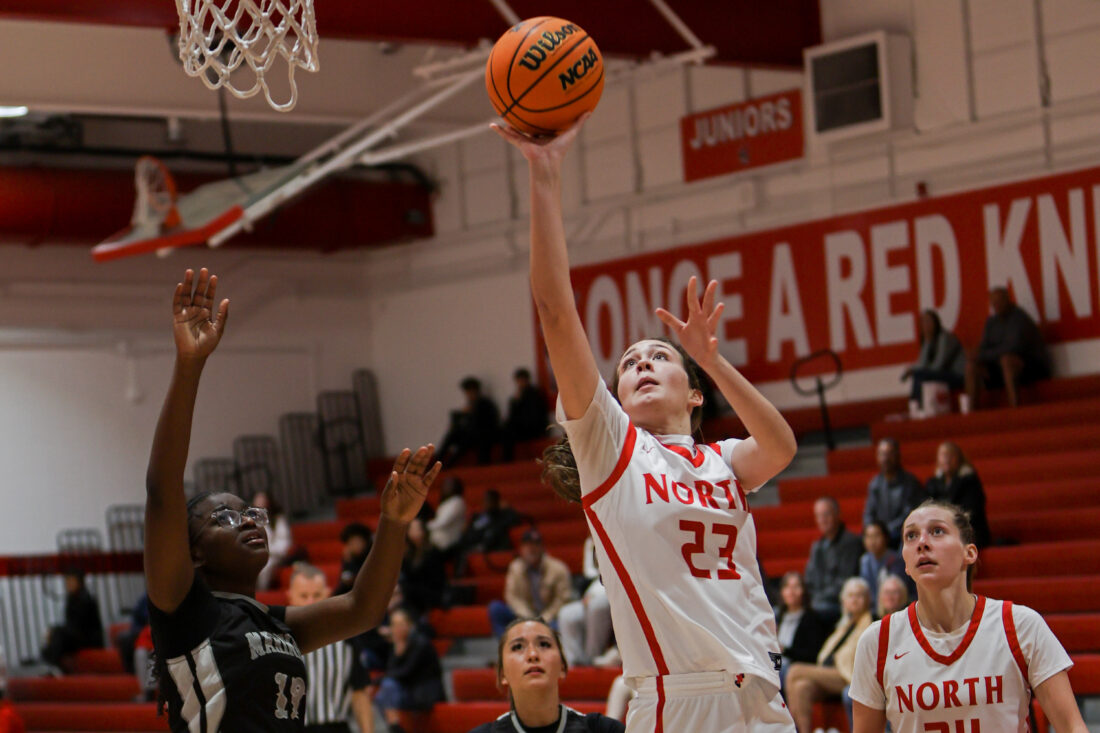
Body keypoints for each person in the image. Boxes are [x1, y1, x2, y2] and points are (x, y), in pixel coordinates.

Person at [494, 116, 798, 732]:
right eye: (628, 363)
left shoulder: (723, 461)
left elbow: (781, 447)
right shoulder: (613, 447)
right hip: (678, 703)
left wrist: (713, 359)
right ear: (617, 396)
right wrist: (544, 175)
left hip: (763, 700)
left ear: (693, 396)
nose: (641, 364)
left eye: (660, 356)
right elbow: (555, 309)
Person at [144, 268, 440, 731]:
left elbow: (363, 607)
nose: (247, 522)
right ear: (193, 551)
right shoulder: (184, 611)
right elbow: (162, 492)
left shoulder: (277, 624)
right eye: (224, 517)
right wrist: (189, 363)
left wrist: (394, 522)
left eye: (251, 514)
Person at [849, 500, 1087, 733]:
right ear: (906, 565)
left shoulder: (1019, 624)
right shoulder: (878, 640)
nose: (922, 542)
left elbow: (1072, 727)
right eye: (911, 536)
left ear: (969, 552)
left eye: (937, 531)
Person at [468, 617, 625, 733]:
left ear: (563, 667)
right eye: (517, 647)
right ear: (502, 675)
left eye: (544, 644)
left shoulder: (601, 730)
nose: (533, 654)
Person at [286, 563, 373, 733]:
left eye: (316, 595)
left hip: (336, 727)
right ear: (290, 597)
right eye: (304, 596)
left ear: (327, 594)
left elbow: (359, 693)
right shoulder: (277, 641)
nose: (310, 602)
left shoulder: (346, 639)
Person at [785, 578, 874, 733]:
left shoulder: (871, 624)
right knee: (801, 687)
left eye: (859, 595)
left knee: (794, 670)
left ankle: (790, 729)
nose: (854, 600)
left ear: (868, 599)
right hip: (830, 674)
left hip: (848, 675)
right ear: (844, 601)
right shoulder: (843, 625)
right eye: (850, 596)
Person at [965, 286, 1050, 409]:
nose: (996, 306)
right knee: (971, 366)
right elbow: (983, 347)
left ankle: (1014, 407)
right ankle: (971, 411)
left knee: (1007, 360)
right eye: (994, 303)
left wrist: (983, 355)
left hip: (1030, 366)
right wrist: (976, 355)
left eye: (999, 302)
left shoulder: (1019, 318)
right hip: (1000, 368)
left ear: (1008, 300)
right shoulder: (991, 322)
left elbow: (1013, 347)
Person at [488, 529, 573, 637]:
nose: (531, 549)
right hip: (524, 615)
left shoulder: (558, 568)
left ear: (542, 547)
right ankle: (505, 649)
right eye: (528, 546)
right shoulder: (515, 567)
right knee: (495, 608)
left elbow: (562, 599)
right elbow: (512, 596)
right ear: (521, 549)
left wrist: (544, 618)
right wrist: (528, 618)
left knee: (561, 624)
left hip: (550, 618)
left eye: (535, 545)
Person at [372, 607, 445, 730]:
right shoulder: (398, 643)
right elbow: (392, 669)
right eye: (394, 625)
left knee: (388, 685)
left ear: (409, 625)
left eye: (400, 624)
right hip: (409, 690)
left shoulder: (421, 643)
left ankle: (394, 726)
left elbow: (406, 672)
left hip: (424, 693)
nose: (396, 629)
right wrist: (396, 649)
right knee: (382, 695)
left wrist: (376, 680)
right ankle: (394, 725)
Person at [805, 497, 863, 628]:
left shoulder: (851, 542)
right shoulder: (817, 546)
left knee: (809, 616)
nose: (822, 520)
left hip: (838, 603)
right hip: (817, 602)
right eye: (818, 516)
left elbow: (846, 581)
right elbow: (809, 580)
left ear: (837, 515)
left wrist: (818, 598)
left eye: (826, 514)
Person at [924, 441, 991, 549]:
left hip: (967, 530)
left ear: (959, 458)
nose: (947, 459)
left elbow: (970, 513)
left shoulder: (970, 481)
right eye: (943, 455)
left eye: (951, 455)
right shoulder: (932, 483)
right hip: (939, 530)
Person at [862, 439, 926, 548]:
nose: (886, 458)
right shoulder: (874, 484)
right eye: (882, 454)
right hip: (881, 535)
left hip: (901, 534)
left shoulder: (910, 482)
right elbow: (868, 513)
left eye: (889, 454)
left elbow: (908, 514)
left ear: (898, 456)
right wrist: (872, 531)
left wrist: (885, 532)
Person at [900, 310, 965, 412]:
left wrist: (916, 370)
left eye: (928, 321)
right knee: (919, 375)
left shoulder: (945, 338)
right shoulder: (928, 340)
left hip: (958, 376)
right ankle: (916, 407)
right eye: (923, 323)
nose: (926, 325)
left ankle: (916, 407)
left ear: (936, 322)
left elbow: (938, 366)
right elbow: (922, 362)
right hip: (943, 376)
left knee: (920, 375)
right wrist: (928, 342)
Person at [774, 572, 828, 694]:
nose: (791, 591)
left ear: (804, 591)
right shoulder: (779, 616)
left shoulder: (811, 618)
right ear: (782, 592)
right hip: (778, 658)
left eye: (796, 587)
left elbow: (811, 654)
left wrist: (785, 650)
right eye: (787, 587)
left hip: (796, 664)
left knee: (779, 668)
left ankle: (782, 709)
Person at [41, 568, 104, 671]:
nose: (68, 584)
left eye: (71, 581)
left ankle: (52, 665)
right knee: (56, 634)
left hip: (88, 638)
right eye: (67, 581)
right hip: (78, 635)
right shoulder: (72, 598)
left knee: (58, 634)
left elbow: (80, 626)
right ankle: (52, 664)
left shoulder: (86, 599)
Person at [438, 377, 501, 466]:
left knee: (464, 441)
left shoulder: (485, 404)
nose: (469, 394)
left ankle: (449, 464)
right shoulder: (470, 405)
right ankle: (438, 460)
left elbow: (485, 423)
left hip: (482, 435)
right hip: (470, 435)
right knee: (452, 435)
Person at [501, 368, 551, 461]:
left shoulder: (533, 394)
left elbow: (533, 415)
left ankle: (507, 459)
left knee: (509, 432)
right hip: (522, 426)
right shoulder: (519, 395)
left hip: (532, 427)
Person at [399, 518, 447, 614]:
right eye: (410, 529)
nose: (412, 532)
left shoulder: (433, 552)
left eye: (416, 529)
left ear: (424, 531)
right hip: (412, 594)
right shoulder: (408, 553)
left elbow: (437, 580)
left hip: (430, 594)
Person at [858, 520, 911, 605]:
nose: (872, 541)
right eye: (868, 536)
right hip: (871, 606)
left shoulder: (896, 559)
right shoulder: (865, 560)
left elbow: (899, 591)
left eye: (876, 536)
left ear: (885, 537)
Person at [254, 489, 294, 590]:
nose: (259, 502)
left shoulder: (277, 518)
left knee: (265, 568)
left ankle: (262, 593)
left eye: (262, 499)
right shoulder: (252, 519)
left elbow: (284, 543)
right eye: (257, 499)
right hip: (258, 553)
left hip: (275, 555)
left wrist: (268, 550)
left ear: (268, 501)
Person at [426, 476, 467, 558]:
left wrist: (424, 526)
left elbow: (443, 522)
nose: (446, 487)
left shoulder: (457, 501)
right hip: (436, 541)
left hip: (448, 543)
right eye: (445, 485)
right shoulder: (445, 502)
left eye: (449, 485)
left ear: (456, 487)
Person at [335, 522, 373, 595]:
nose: (354, 546)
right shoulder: (349, 557)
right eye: (350, 543)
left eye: (357, 542)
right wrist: (348, 562)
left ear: (365, 541)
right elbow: (345, 580)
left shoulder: (373, 555)